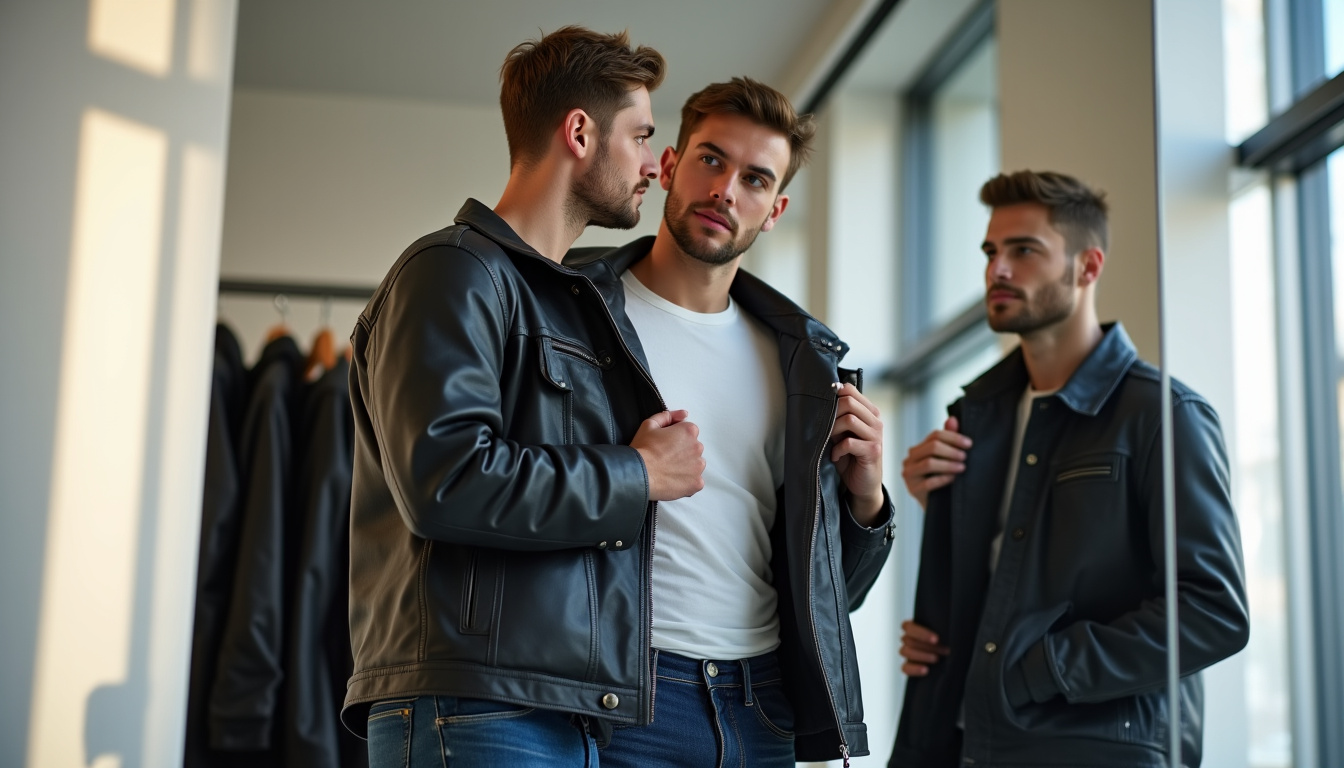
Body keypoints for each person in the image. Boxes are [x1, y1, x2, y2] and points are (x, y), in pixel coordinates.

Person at [342, 27, 709, 768]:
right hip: (472, 707)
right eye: (641, 136)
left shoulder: (568, 303)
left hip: (548, 709)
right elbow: (447, 478)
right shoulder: (452, 271)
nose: (653, 165)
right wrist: (638, 474)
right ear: (579, 132)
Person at [566, 77, 896, 768]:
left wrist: (866, 500)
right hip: (621, 693)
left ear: (773, 210)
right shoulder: (573, 313)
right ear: (668, 165)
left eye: (753, 178)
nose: (725, 190)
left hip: (760, 707)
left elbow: (837, 596)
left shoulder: (804, 360)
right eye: (711, 160)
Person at [889, 170, 1250, 767]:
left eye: (1024, 250)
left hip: (1091, 749)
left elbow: (1213, 610)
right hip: (958, 743)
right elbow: (1015, 575)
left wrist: (1043, 668)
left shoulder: (1163, 415)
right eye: (991, 251)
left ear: (1087, 267)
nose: (997, 269)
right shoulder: (979, 415)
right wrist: (952, 632)